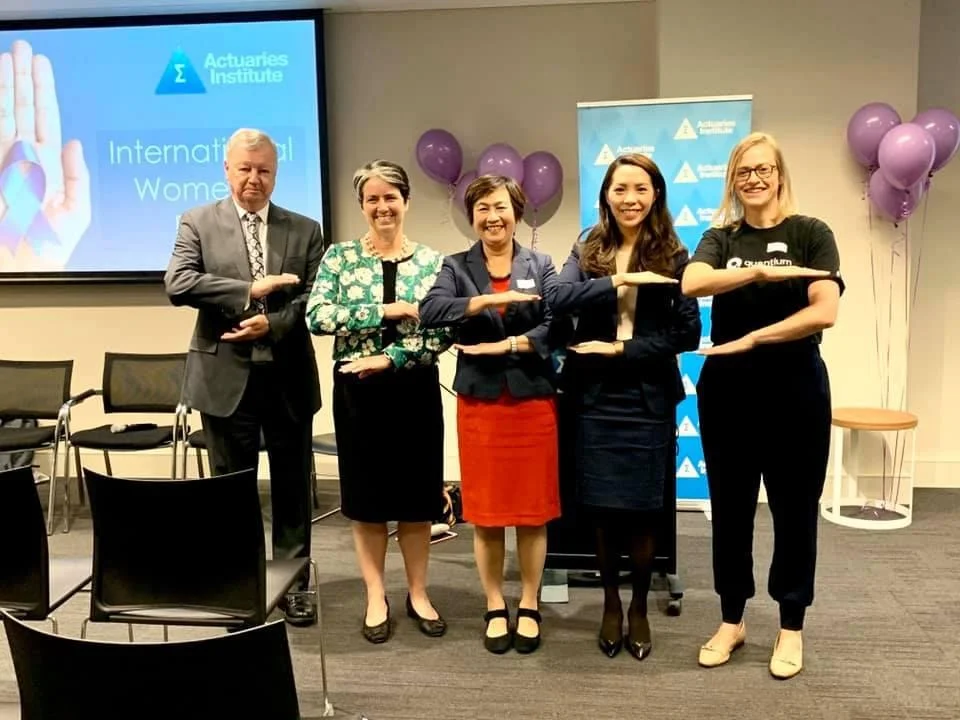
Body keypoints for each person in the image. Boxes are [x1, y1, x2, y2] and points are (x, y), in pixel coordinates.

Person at [681, 131, 843, 679]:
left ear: (779, 175)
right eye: (743, 171)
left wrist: (753, 338)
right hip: (728, 392)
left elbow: (824, 310)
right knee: (730, 509)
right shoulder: (720, 237)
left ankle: (791, 626)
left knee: (796, 510)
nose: (753, 178)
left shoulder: (811, 233)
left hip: (795, 388)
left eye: (763, 169)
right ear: (733, 180)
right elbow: (693, 282)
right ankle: (732, 619)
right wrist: (756, 271)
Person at [164, 128, 323, 626]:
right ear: (227, 169)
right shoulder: (197, 221)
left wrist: (271, 323)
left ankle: (295, 585)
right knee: (230, 487)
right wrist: (249, 290)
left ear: (276, 173)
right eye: (245, 169)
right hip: (223, 377)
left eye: (264, 170)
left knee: (293, 489)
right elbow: (179, 282)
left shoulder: (306, 229)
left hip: (287, 375)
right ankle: (242, 582)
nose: (254, 179)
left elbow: (316, 298)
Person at [550, 153, 701, 661]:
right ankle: (610, 603)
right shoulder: (587, 246)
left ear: (655, 193)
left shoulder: (676, 254)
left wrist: (621, 349)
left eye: (640, 189)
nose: (630, 199)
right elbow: (560, 299)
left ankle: (638, 605)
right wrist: (616, 281)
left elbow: (686, 332)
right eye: (620, 189)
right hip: (593, 398)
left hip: (645, 397)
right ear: (606, 195)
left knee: (641, 511)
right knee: (600, 512)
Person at [305, 160, 451, 644]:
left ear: (406, 201)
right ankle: (374, 596)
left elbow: (443, 330)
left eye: (391, 196)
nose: (382, 206)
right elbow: (318, 316)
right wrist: (384, 311)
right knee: (367, 502)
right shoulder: (340, 258)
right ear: (362, 206)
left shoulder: (433, 262)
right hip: (357, 394)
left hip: (413, 390)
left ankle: (418, 593)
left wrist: (390, 357)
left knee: (416, 500)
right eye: (372, 199)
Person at [419, 175, 560, 655]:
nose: (492, 216)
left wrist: (514, 342)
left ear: (516, 210)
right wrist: (487, 300)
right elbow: (432, 309)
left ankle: (531, 602)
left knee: (533, 513)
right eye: (482, 208)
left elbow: (556, 320)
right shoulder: (456, 266)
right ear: (472, 215)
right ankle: (496, 603)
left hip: (532, 400)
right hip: (481, 403)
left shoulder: (540, 263)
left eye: (500, 206)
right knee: (488, 513)